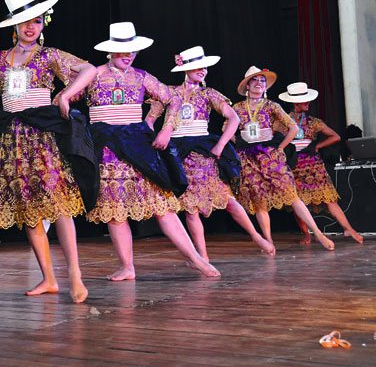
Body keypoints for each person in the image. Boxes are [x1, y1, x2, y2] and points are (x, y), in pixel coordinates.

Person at [0, 0, 97, 303]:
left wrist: (65, 94)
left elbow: (88, 69)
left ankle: (74, 275)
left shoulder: (49, 56)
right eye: (24, 21)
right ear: (14, 25)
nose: (30, 27)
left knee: (59, 205)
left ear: (43, 23)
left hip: (43, 136)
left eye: (36, 20)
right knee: (30, 208)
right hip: (14, 139)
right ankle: (48, 278)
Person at [81, 23, 220, 280]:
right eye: (123, 50)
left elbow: (172, 99)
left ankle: (196, 259)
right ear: (111, 50)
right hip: (106, 149)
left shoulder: (141, 76)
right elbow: (66, 96)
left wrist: (165, 129)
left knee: (162, 205)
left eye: (132, 51)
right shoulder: (94, 74)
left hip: (137, 146)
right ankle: (127, 266)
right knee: (115, 210)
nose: (128, 55)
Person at [147, 47, 275, 261]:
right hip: (177, 153)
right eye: (198, 67)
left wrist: (221, 145)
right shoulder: (169, 92)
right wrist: (157, 138)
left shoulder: (209, 94)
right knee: (190, 208)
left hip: (202, 152)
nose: (203, 70)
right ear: (186, 69)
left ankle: (256, 236)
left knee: (227, 199)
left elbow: (234, 118)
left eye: (205, 67)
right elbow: (150, 120)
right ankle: (203, 256)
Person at [231, 67, 335, 251]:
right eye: (254, 80)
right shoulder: (237, 108)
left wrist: (279, 148)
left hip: (270, 156)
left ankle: (318, 234)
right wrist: (241, 142)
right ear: (247, 85)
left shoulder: (271, 106)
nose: (259, 83)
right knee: (259, 200)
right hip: (248, 159)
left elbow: (293, 128)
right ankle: (268, 241)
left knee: (292, 195)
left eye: (262, 80)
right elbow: (227, 129)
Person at [278, 82, 363, 244]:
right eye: (305, 101)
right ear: (295, 103)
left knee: (329, 198)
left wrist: (317, 146)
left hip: (313, 165)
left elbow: (336, 136)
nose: (308, 104)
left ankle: (348, 229)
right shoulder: (283, 122)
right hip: (293, 164)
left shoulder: (314, 122)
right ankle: (307, 234)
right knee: (298, 201)